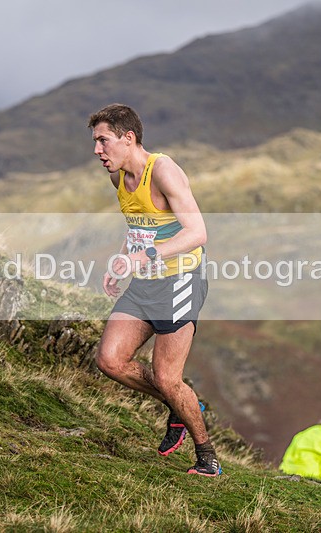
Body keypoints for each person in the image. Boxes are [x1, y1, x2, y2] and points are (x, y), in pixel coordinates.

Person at [88, 103, 221, 477]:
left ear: (128, 138)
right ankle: (179, 403)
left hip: (180, 281)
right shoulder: (117, 178)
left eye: (103, 141)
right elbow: (139, 229)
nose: (97, 150)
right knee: (110, 361)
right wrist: (121, 260)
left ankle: (207, 457)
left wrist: (141, 256)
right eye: (95, 142)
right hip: (144, 280)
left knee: (166, 376)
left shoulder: (163, 171)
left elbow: (197, 233)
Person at [279, 411, 321, 483]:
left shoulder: (305, 433)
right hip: (311, 477)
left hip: (288, 472)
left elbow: (289, 454)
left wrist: (284, 470)